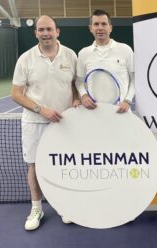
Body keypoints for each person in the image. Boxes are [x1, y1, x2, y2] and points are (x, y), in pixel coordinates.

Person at [11, 15, 79, 231]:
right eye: (41, 29)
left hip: (64, 123)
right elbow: (16, 94)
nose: (45, 33)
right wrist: (42, 110)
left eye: (49, 29)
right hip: (34, 122)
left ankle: (63, 205)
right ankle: (36, 208)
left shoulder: (70, 55)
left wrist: (76, 98)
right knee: (34, 165)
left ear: (57, 31)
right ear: (36, 33)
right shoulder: (25, 59)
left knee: (65, 163)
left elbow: (76, 84)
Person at [76, 9, 134, 111]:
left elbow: (135, 79)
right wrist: (84, 95)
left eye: (104, 24)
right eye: (96, 24)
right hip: (94, 113)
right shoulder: (83, 53)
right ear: (91, 28)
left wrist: (127, 101)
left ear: (110, 28)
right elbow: (79, 81)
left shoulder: (125, 50)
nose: (100, 28)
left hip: (121, 112)